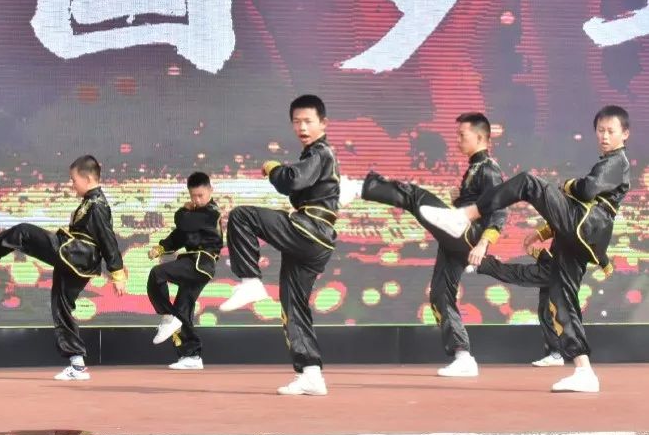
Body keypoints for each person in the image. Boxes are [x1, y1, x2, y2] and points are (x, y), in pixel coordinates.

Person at [423, 105, 631, 392]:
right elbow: (587, 201)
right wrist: (544, 231)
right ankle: (584, 370)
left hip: (580, 226)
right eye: (600, 130)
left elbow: (585, 190)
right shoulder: (611, 163)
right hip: (583, 234)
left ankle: (468, 213)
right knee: (561, 297)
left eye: (611, 131)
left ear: (625, 134)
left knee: (527, 182)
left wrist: (569, 185)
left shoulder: (617, 161)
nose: (604, 136)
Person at [0, 155, 127, 381]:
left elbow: (108, 240)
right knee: (61, 306)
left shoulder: (97, 205)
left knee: (22, 232)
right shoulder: (90, 201)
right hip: (78, 261)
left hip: (74, 255)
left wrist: (117, 273)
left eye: (73, 180)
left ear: (88, 178)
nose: (71, 184)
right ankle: (77, 365)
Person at [356, 113, 507, 377]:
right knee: (440, 294)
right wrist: (459, 199)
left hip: (467, 236)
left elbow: (499, 210)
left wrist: (483, 244)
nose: (457, 140)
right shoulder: (474, 167)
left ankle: (361, 188)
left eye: (462, 135)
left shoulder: (488, 169)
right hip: (457, 236)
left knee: (416, 196)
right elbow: (478, 204)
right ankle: (463, 357)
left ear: (480, 137)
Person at [219, 94, 340, 396]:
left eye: (308, 121)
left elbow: (292, 181)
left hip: (310, 229)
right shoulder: (314, 155)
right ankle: (311, 374)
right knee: (293, 305)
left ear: (323, 123)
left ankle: (250, 281)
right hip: (315, 239)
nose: (302, 127)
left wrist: (274, 167)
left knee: (242, 216)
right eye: (297, 122)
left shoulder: (321, 152)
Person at [147, 172, 223, 370]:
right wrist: (162, 247)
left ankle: (167, 315)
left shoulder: (212, 212)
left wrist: (183, 209)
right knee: (183, 309)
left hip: (200, 263)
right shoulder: (195, 214)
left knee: (157, 274)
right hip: (195, 265)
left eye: (200, 195)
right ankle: (192, 355)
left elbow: (184, 222)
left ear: (210, 191)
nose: (196, 200)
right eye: (193, 196)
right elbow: (180, 235)